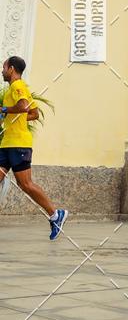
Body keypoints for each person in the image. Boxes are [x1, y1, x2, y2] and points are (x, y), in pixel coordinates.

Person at [0, 56, 68, 240]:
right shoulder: (21, 88)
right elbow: (34, 113)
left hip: (18, 145)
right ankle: (55, 215)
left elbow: (23, 107)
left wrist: (4, 110)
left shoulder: (17, 86)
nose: (2, 70)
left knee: (26, 184)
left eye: (4, 67)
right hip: (8, 144)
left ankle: (56, 215)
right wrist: (13, 119)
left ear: (11, 69)